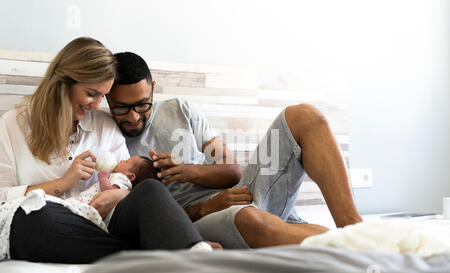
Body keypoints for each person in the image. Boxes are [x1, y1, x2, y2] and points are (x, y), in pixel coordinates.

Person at [106, 52, 364, 250]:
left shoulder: (179, 108)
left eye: (142, 105)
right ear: (107, 98)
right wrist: (205, 208)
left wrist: (189, 171)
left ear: (153, 88)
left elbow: (232, 171)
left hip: (241, 191)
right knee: (250, 219)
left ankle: (356, 230)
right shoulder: (104, 137)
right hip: (197, 220)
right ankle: (361, 248)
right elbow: (134, 224)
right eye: (121, 108)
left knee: (302, 115)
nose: (133, 117)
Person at [0, 37, 218, 264]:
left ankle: (195, 257)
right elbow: (2, 199)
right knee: (28, 218)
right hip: (53, 225)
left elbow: (127, 180)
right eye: (91, 93)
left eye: (101, 96)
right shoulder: (12, 125)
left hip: (104, 224)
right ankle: (152, 257)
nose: (96, 105)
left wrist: (119, 194)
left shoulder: (103, 125)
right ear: (62, 84)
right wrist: (62, 184)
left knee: (150, 189)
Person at [63, 154, 158, 232]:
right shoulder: (118, 178)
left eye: (126, 161)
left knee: (65, 208)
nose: (121, 161)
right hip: (88, 205)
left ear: (130, 176)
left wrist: (103, 178)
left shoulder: (121, 178)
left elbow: (110, 193)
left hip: (89, 207)